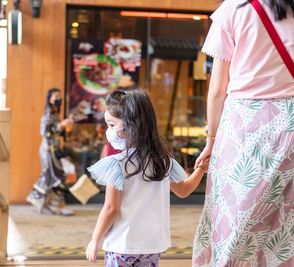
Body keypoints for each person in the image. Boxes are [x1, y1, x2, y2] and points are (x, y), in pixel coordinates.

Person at [193, 0, 294, 265]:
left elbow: (218, 89)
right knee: (285, 235)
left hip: (246, 124)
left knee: (232, 227)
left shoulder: (234, 8)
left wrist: (211, 140)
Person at [85, 89, 209, 266]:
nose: (108, 131)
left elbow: (111, 208)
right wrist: (201, 170)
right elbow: (183, 190)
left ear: (132, 126)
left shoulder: (117, 164)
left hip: (122, 244)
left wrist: (95, 239)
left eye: (111, 125)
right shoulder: (163, 161)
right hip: (151, 245)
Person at [27, 88, 74, 216]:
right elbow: (44, 132)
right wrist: (61, 125)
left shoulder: (55, 114)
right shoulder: (47, 114)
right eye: (56, 96)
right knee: (51, 176)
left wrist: (65, 126)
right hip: (48, 150)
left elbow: (58, 132)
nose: (58, 98)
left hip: (55, 149)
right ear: (49, 98)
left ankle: (51, 204)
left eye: (60, 96)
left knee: (56, 176)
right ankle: (37, 197)